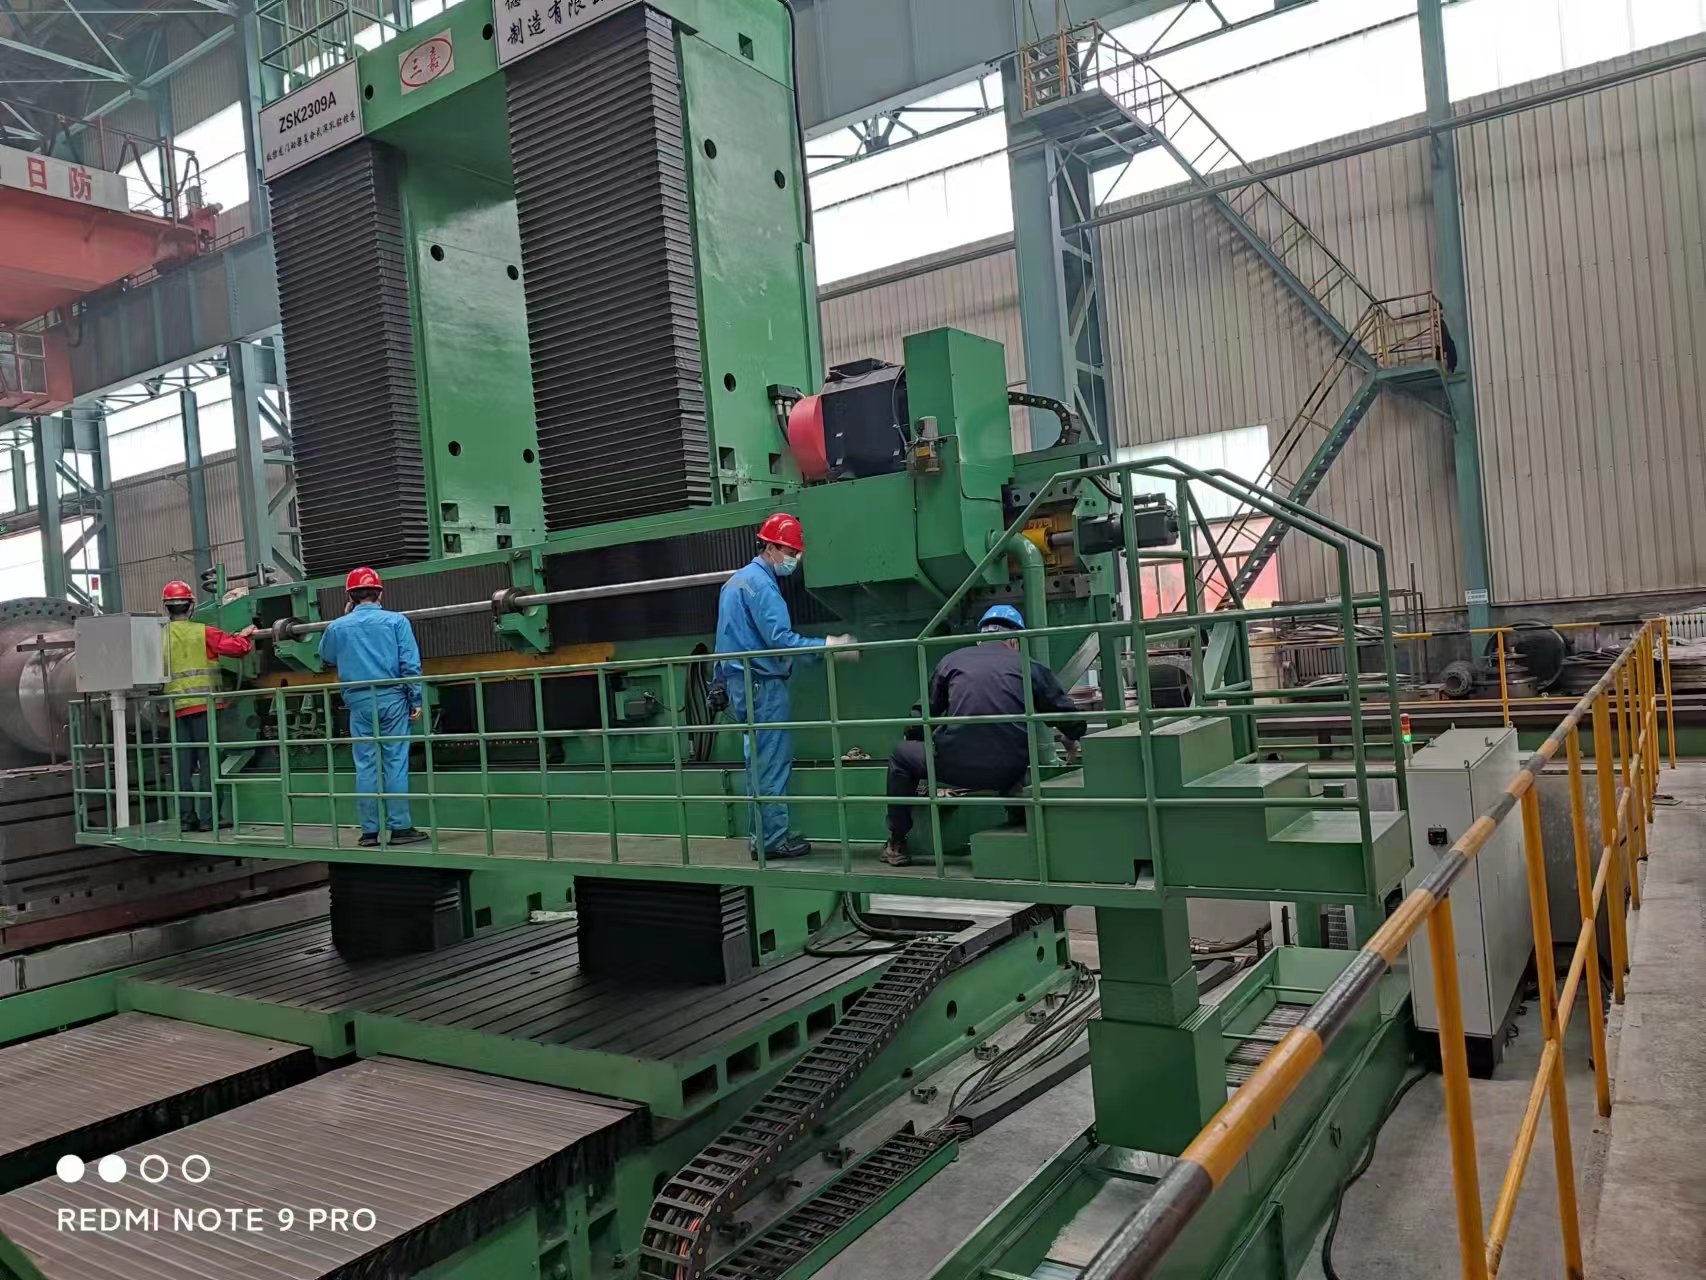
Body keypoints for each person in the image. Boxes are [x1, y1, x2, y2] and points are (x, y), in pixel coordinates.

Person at [882, 604, 1085, 866]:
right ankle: (1019, 822)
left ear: (979, 639)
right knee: (1015, 750)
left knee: (901, 756)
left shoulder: (952, 660)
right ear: (1015, 640)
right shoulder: (1029, 666)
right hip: (1008, 770)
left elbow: (922, 716)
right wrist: (1072, 737)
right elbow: (1068, 717)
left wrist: (917, 741)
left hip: (954, 766)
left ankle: (897, 841)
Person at [714, 512, 854, 859]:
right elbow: (780, 639)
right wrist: (829, 647)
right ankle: (773, 841)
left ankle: (760, 837)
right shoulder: (763, 587)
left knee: (757, 765)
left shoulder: (734, 583)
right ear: (771, 547)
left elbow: (723, 640)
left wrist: (719, 680)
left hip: (741, 685)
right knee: (772, 764)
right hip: (764, 685)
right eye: (791, 552)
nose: (795, 559)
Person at [318, 566, 428, 847]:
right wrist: (416, 699)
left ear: (350, 596)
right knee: (395, 762)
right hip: (392, 700)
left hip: (358, 702)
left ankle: (369, 832)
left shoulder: (337, 626)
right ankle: (400, 828)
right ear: (380, 593)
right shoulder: (396, 621)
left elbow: (326, 655)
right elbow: (410, 664)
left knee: (365, 765)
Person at [161, 579, 257, 832]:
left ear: (166, 607)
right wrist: (245, 636)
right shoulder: (203, 632)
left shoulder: (158, 637)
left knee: (183, 765)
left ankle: (186, 819)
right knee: (208, 762)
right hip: (204, 706)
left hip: (175, 708)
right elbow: (236, 648)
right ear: (191, 605)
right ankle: (209, 818)